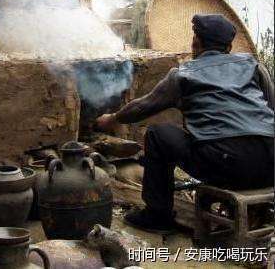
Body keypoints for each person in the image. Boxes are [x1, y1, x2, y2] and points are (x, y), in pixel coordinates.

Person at [96, 14, 274, 233]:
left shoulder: (183, 74)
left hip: (226, 165)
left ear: (196, 42)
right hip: (270, 162)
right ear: (229, 46)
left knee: (157, 135)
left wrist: (112, 119)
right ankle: (260, 209)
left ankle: (157, 216)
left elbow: (142, 107)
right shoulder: (254, 66)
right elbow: (270, 110)